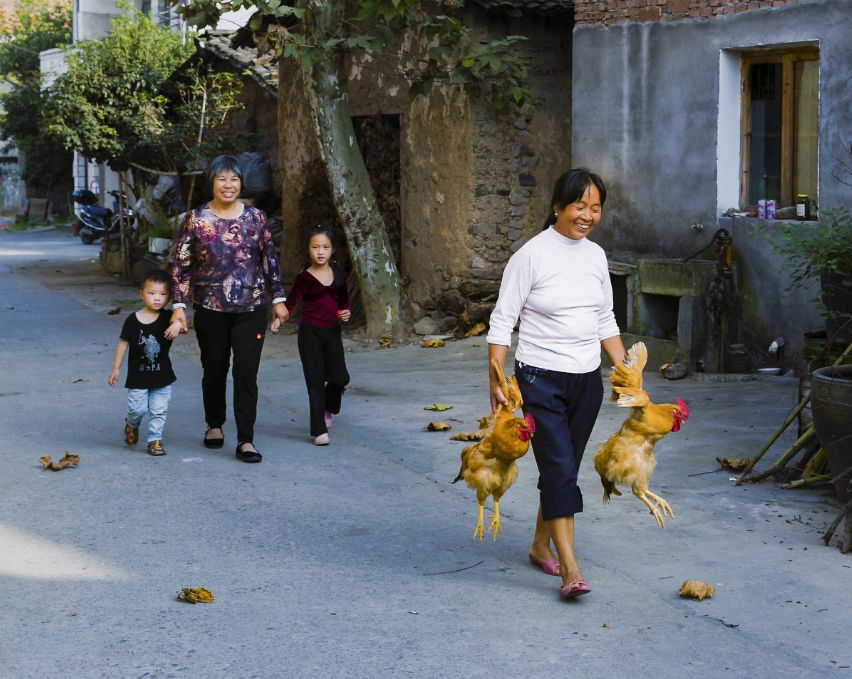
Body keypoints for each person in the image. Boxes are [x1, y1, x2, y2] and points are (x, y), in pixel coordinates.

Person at [486, 168, 626, 600]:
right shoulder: (531, 256)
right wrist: (495, 380)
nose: (587, 215)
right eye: (579, 206)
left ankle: (538, 544)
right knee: (560, 468)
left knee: (561, 467)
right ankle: (570, 569)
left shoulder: (596, 256)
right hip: (539, 379)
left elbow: (605, 319)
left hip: (587, 380)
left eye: (595, 207)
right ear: (557, 207)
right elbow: (502, 323)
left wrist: (625, 371)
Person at [170, 155, 288, 463]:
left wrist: (278, 299)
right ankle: (214, 423)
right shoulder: (196, 219)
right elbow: (182, 264)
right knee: (215, 368)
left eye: (233, 179)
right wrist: (179, 306)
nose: (228, 185)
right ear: (212, 182)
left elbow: (269, 259)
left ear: (241, 183)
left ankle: (246, 439)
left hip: (251, 306)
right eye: (222, 179)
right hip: (209, 306)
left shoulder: (256, 218)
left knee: (246, 372)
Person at [272, 224, 351, 446]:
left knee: (341, 378)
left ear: (332, 250)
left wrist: (345, 312)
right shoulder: (304, 278)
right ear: (309, 250)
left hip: (332, 331)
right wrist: (279, 319)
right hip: (310, 333)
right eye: (315, 247)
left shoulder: (338, 273)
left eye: (325, 247)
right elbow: (291, 303)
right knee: (315, 381)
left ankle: (328, 406)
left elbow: (343, 301)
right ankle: (318, 430)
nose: (320, 251)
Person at [108, 269, 183, 456]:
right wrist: (116, 368)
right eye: (152, 293)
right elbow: (123, 343)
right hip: (138, 376)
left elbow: (182, 323)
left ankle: (154, 440)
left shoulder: (168, 317)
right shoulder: (132, 321)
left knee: (159, 411)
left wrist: (177, 324)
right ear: (142, 294)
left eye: (163, 294)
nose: (157, 298)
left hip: (162, 376)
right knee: (137, 409)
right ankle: (131, 425)